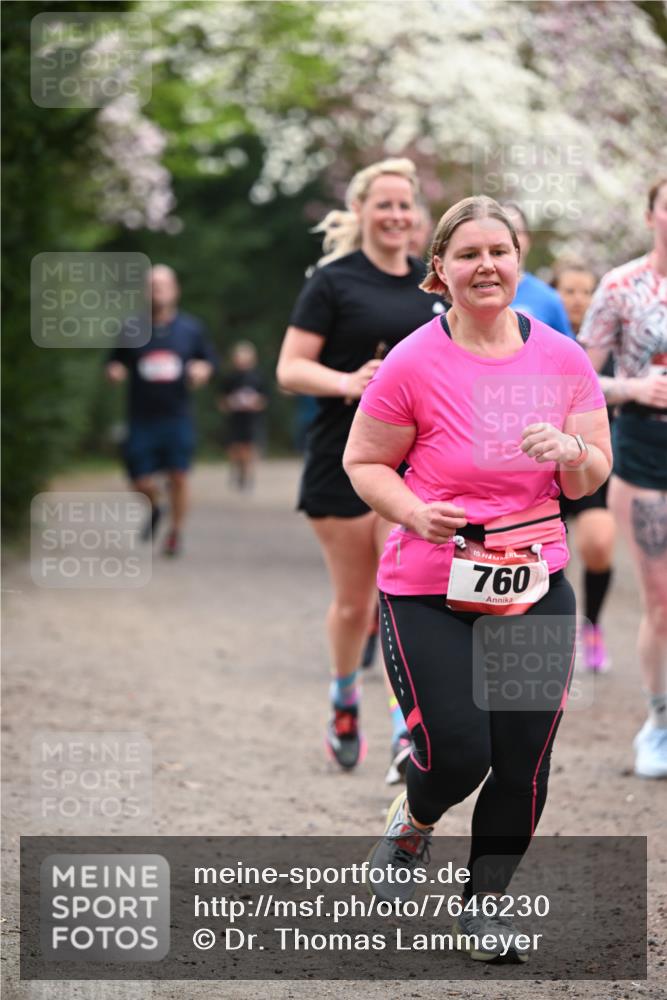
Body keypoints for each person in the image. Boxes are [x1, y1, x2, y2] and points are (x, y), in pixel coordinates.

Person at [343, 196, 611, 961]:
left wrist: (568, 448)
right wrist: (412, 508)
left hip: (531, 579)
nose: (485, 265)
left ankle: (484, 906)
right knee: (458, 751)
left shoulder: (560, 357)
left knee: (524, 755)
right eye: (467, 254)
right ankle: (414, 821)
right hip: (429, 582)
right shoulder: (412, 360)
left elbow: (592, 473)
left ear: (518, 261)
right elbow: (363, 462)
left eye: (499, 250)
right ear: (440, 271)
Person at [276, 158, 444, 776]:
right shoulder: (332, 280)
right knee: (357, 605)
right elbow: (290, 368)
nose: (397, 216)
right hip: (340, 456)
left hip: (415, 463)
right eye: (386, 205)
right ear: (363, 211)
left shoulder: (433, 284)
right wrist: (349, 381)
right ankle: (344, 699)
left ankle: (407, 729)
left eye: (406, 206)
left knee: (407, 595)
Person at [578, 177, 667, 778]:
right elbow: (579, 376)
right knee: (661, 599)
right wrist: (631, 387)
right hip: (646, 446)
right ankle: (658, 724)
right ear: (651, 214)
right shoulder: (620, 287)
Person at [106, 264, 217, 556]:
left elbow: (208, 361)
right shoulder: (131, 329)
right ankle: (155, 505)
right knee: (138, 480)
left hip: (177, 417)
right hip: (141, 418)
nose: (157, 290)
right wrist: (115, 371)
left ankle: (175, 534)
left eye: (163, 284)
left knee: (179, 476)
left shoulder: (191, 329)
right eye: (152, 285)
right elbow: (114, 361)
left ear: (175, 289)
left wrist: (202, 370)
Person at [552, 261, 616, 671]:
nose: (578, 299)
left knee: (598, 544)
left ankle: (593, 626)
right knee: (551, 556)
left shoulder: (607, 347)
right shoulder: (533, 341)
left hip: (590, 462)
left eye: (586, 291)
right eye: (569, 290)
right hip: (543, 470)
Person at [502, 203, 574, 338]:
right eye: (502, 230)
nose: (508, 238)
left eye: (516, 231)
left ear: (528, 240)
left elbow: (568, 354)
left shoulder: (549, 299)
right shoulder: (473, 295)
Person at [218, 341, 268, 492]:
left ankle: (247, 476)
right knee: (234, 449)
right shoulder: (229, 378)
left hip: (251, 419)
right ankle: (237, 470)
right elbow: (221, 401)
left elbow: (265, 400)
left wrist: (255, 403)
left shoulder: (258, 377)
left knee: (248, 448)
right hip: (234, 418)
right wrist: (230, 403)